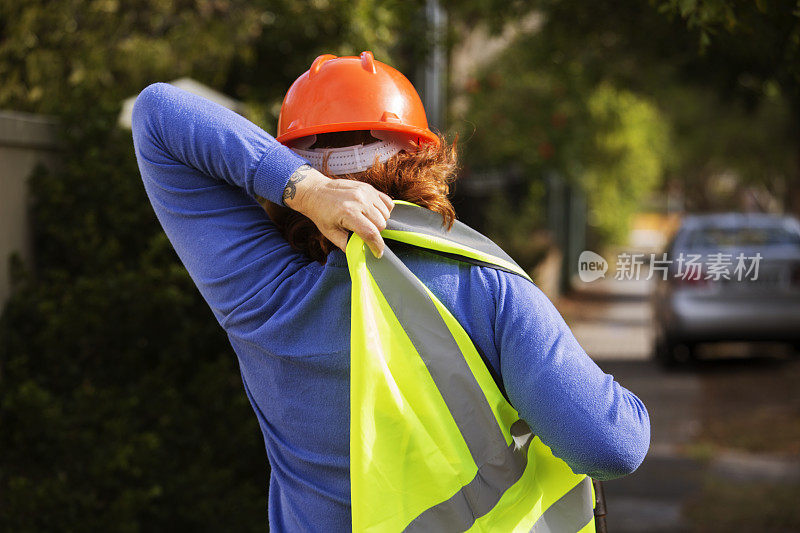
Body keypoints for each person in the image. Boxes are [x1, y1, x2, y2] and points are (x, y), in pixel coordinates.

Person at [132, 52, 650, 531]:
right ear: (424, 160)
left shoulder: (265, 294)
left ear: (287, 160)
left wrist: (303, 188)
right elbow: (610, 446)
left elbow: (158, 115)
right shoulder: (485, 288)